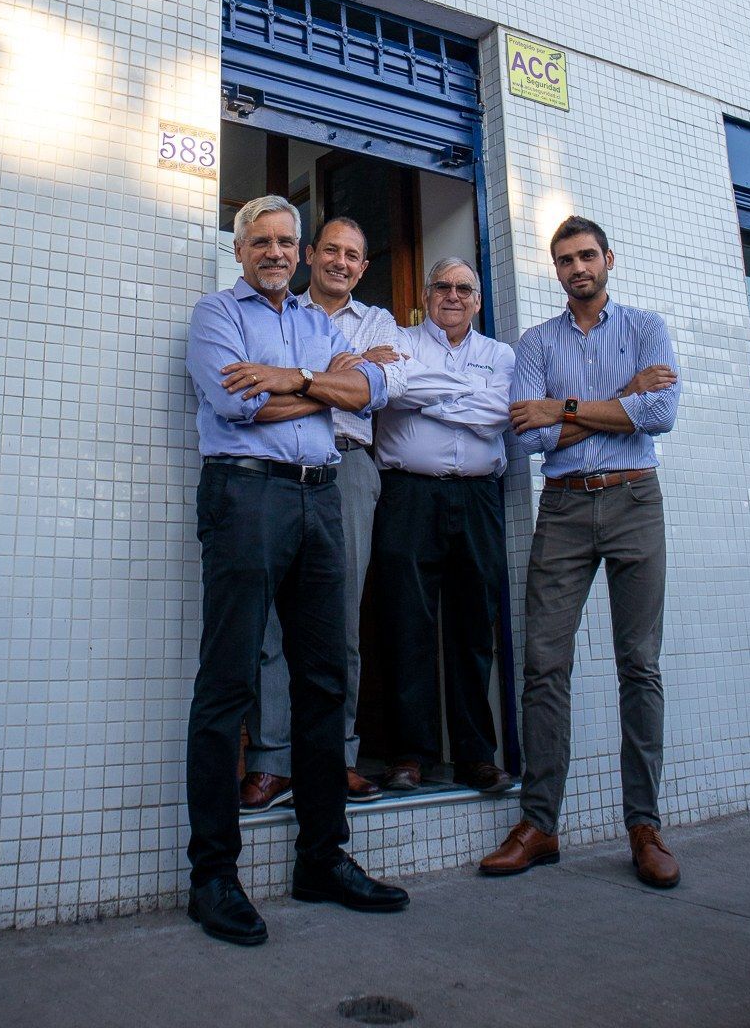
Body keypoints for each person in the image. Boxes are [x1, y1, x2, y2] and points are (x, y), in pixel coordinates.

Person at [185, 194, 409, 945]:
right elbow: (232, 400)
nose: (277, 252)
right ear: (242, 248)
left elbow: (368, 395)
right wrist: (319, 388)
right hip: (246, 495)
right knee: (230, 681)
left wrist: (289, 381)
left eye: (288, 242)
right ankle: (213, 875)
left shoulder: (317, 322)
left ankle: (322, 857)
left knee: (324, 682)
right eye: (264, 241)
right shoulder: (216, 316)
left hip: (318, 502)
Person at [479, 215, 682, 889]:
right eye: (565, 259)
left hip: (634, 502)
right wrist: (619, 400)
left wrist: (562, 409)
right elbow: (526, 438)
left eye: (587, 255)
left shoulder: (646, 327)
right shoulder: (536, 341)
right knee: (544, 666)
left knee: (639, 665)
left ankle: (644, 826)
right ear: (557, 269)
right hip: (563, 509)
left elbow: (661, 414)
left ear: (608, 259)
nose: (577, 268)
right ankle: (539, 825)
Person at [241, 215, 408, 810]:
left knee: (340, 621)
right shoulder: (281, 312)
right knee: (269, 620)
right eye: (331, 251)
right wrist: (336, 374)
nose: (341, 262)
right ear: (311, 255)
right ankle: (271, 762)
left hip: (351, 469)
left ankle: (336, 757)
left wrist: (303, 379)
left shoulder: (381, 323)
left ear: (364, 267)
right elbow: (253, 395)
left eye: (353, 255)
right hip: (281, 467)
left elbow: (384, 386)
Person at [372, 257, 515, 794]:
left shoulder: (500, 354)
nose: (452, 296)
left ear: (477, 300)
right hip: (408, 494)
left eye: (463, 288)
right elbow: (396, 390)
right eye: (441, 286)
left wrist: (434, 396)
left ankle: (477, 755)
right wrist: (461, 396)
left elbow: (499, 412)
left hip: (478, 498)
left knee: (473, 629)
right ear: (426, 294)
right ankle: (410, 753)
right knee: (406, 624)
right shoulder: (398, 338)